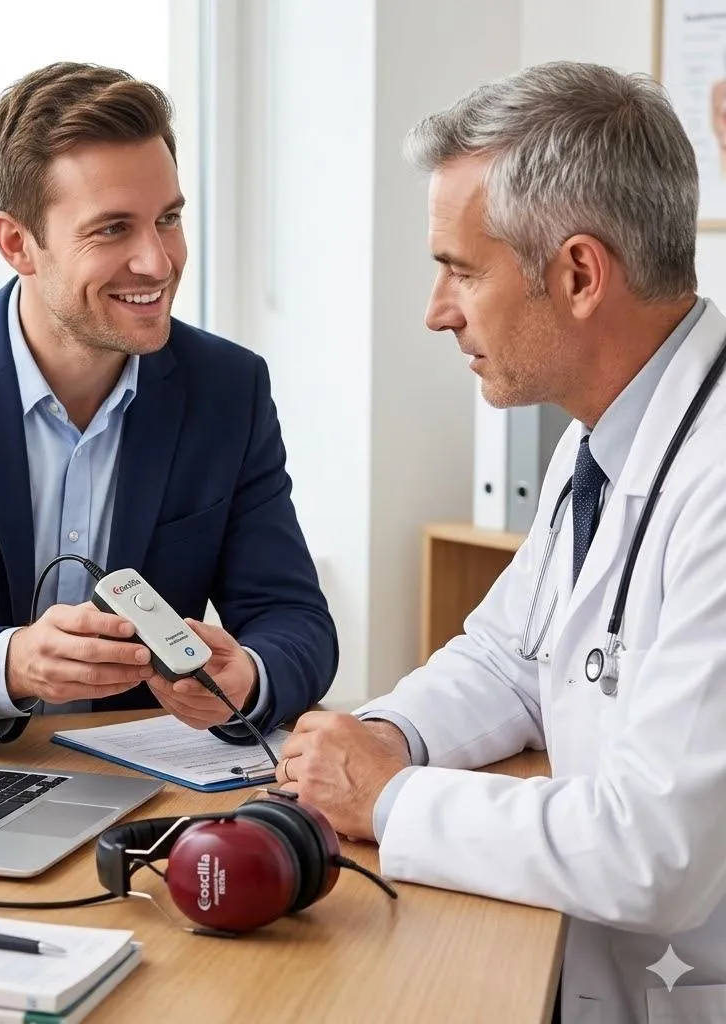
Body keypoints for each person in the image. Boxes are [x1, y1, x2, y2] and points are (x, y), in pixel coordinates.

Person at [275, 61, 726, 1024]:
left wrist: (390, 801)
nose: (437, 311)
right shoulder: (600, 438)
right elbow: (511, 656)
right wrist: (382, 738)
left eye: (459, 269)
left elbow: (656, 855)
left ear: (577, 274)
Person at [0, 62, 337, 747]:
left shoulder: (228, 389)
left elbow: (296, 621)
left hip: (148, 795)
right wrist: (10, 665)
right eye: (113, 229)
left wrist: (249, 676)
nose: (158, 261)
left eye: (167, 219)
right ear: (17, 243)